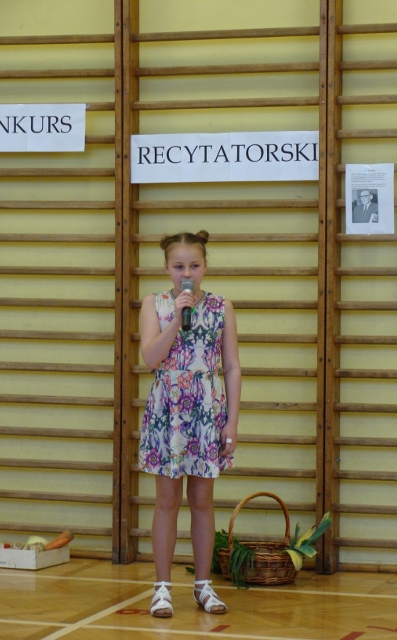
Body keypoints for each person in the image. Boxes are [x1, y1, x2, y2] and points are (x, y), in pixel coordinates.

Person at [139, 230, 241, 618]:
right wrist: (175, 322)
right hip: (168, 412)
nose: (187, 273)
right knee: (166, 501)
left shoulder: (221, 306)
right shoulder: (155, 303)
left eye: (194, 266)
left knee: (202, 501)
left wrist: (232, 422)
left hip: (206, 412)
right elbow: (151, 357)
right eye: (179, 266)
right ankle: (162, 589)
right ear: (167, 268)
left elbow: (231, 366)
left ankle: (203, 586)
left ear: (205, 266)